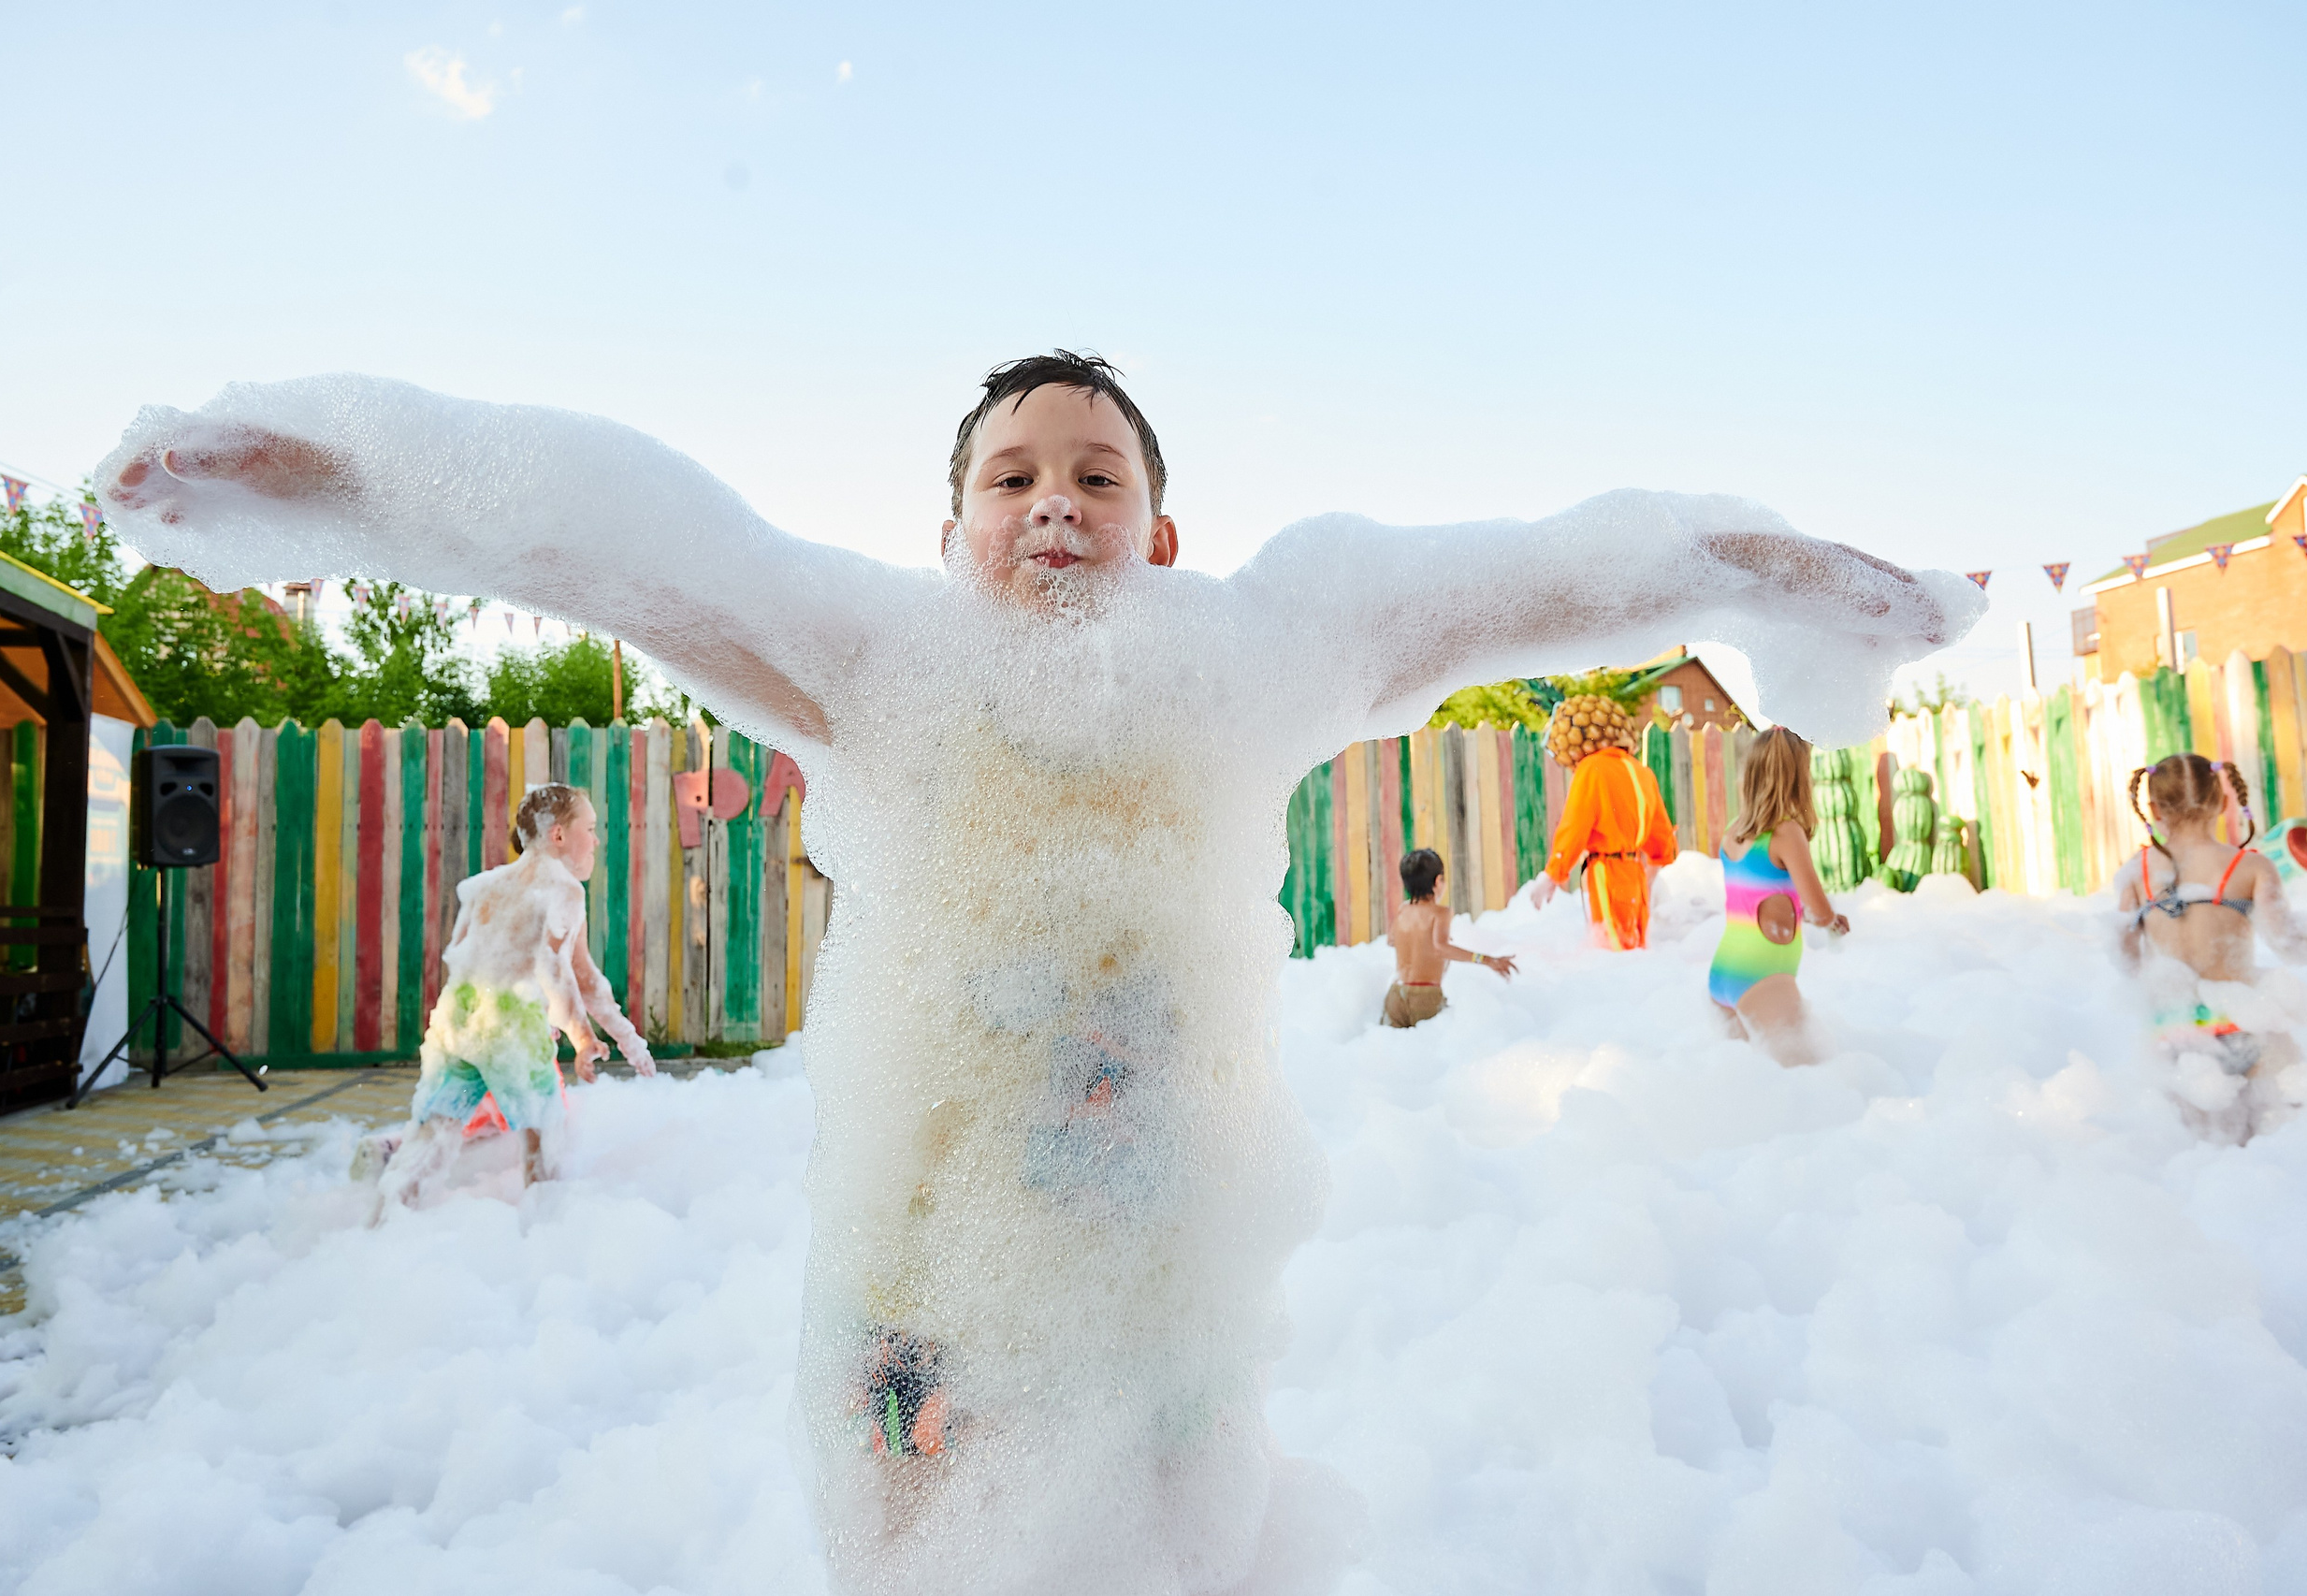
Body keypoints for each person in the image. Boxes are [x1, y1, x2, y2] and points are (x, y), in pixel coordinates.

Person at [95, 350, 1976, 1592]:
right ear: (949, 530)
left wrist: (1763, 572)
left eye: (1094, 471)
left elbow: (1522, 585)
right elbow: (616, 556)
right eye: (1008, 474)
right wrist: (329, 479)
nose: (1050, 498)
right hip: (917, 1306)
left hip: (1156, 1306)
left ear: (1164, 535)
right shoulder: (869, 657)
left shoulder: (1254, 652)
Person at [373, 783, 653, 1210]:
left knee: (431, 1137)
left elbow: (463, 957)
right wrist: (582, 1038)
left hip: (457, 1019)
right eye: (591, 828)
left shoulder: (483, 886)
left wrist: (626, 1037)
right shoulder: (564, 890)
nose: (596, 840)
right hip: (512, 1025)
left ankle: (381, 1226)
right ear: (558, 835)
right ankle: (542, 1236)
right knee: (544, 1138)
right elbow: (559, 971)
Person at [2113, 753, 2307, 1139]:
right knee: (2272, 1146)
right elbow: (2288, 943)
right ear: (2222, 801)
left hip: (2173, 1035)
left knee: (2197, 1156)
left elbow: (2124, 953)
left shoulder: (2138, 872)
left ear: (2153, 809)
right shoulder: (2249, 867)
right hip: (2239, 1023)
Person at [1707, 727, 1847, 1066]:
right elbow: (1819, 910)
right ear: (1799, 778)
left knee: (1749, 1080)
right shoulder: (1786, 833)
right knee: (1809, 1078)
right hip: (1762, 975)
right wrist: (1833, 922)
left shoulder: (1734, 832)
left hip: (1723, 972)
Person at [1532, 706, 1678, 948]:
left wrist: (1552, 875)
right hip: (1636, 874)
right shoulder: (1642, 772)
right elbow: (1661, 833)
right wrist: (1652, 872)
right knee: (1636, 949)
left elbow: (1574, 826)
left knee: (1611, 950)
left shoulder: (1591, 768)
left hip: (1607, 873)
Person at [1382, 848, 1516, 1026]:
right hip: (1425, 996)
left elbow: (1391, 940)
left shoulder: (1403, 910)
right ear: (1438, 881)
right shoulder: (1440, 913)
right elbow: (1440, 948)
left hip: (1395, 995)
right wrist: (1487, 960)